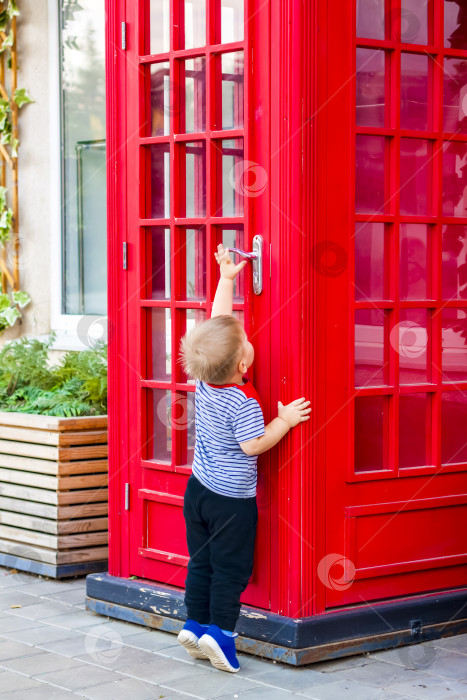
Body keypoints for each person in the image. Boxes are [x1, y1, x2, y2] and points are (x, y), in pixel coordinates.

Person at [177, 243, 311, 673]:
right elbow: (253, 445)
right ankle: (223, 637)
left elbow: (219, 325)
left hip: (197, 491)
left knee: (201, 561)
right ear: (241, 366)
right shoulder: (244, 402)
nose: (247, 341)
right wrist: (286, 420)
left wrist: (227, 280)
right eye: (246, 344)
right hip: (231, 502)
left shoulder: (203, 378)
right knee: (230, 570)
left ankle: (194, 625)